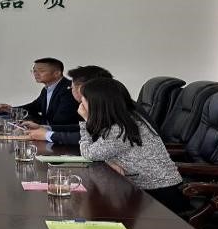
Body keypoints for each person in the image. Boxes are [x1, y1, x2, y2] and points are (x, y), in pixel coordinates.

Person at [77, 78, 191, 213]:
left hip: (159, 196)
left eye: (83, 100)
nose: (81, 104)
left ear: (97, 103)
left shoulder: (120, 129)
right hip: (149, 190)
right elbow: (105, 150)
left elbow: (89, 153)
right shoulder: (128, 118)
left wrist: (86, 121)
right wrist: (110, 161)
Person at [26, 65, 113, 144]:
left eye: (71, 87)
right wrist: (45, 128)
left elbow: (94, 138)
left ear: (81, 88)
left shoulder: (102, 110)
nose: (71, 90)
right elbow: (83, 129)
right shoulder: (105, 104)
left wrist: (48, 135)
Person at [0, 57, 80, 127]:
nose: (36, 74)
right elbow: (35, 106)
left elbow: (60, 121)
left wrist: (32, 121)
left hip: (64, 136)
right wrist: (12, 109)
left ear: (57, 73)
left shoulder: (69, 89)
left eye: (41, 71)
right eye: (34, 71)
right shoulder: (46, 89)